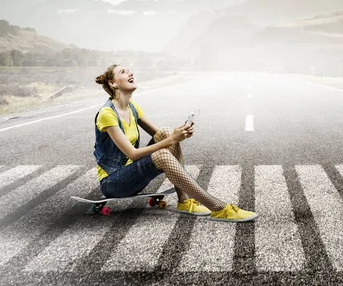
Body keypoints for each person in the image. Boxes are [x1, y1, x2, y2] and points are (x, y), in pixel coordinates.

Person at [93, 64, 257, 222]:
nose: (130, 73)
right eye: (123, 72)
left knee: (165, 132)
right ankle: (219, 208)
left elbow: (162, 136)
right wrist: (172, 140)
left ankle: (184, 202)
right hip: (114, 183)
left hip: (132, 176)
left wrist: (179, 134)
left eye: (129, 71)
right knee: (163, 152)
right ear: (113, 83)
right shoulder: (107, 113)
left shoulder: (132, 107)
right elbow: (132, 154)